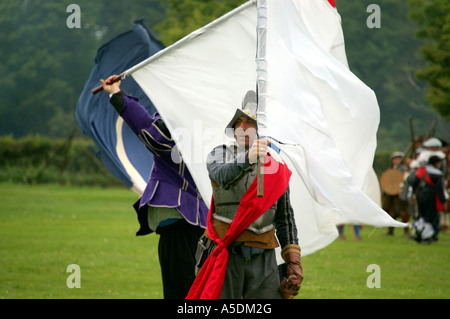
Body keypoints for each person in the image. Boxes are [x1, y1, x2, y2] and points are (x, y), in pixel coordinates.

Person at [100, 76, 208, 299]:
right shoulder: (208, 135)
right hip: (201, 228)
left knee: (183, 296)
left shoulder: (180, 137)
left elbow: (147, 129)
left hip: (181, 230)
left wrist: (117, 94)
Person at [195, 90, 302, 299]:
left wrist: (293, 262)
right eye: (239, 122)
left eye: (250, 122)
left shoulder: (276, 166)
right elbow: (222, 174)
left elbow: (285, 218)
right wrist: (247, 159)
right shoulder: (219, 153)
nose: (242, 127)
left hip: (264, 260)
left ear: (262, 129)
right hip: (225, 253)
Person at [407, 155, 448, 244]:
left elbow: (414, 183)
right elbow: (440, 189)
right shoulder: (437, 174)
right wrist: (443, 201)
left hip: (419, 195)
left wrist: (414, 194)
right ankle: (426, 237)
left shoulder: (421, 170)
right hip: (431, 197)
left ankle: (418, 234)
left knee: (420, 216)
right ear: (436, 163)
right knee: (430, 217)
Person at [381, 152, 410, 236]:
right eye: (395, 158)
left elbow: (405, 180)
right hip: (390, 195)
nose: (396, 160)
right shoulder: (390, 169)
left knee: (403, 212)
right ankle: (390, 231)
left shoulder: (404, 169)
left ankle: (406, 231)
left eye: (398, 158)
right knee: (391, 212)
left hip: (400, 194)